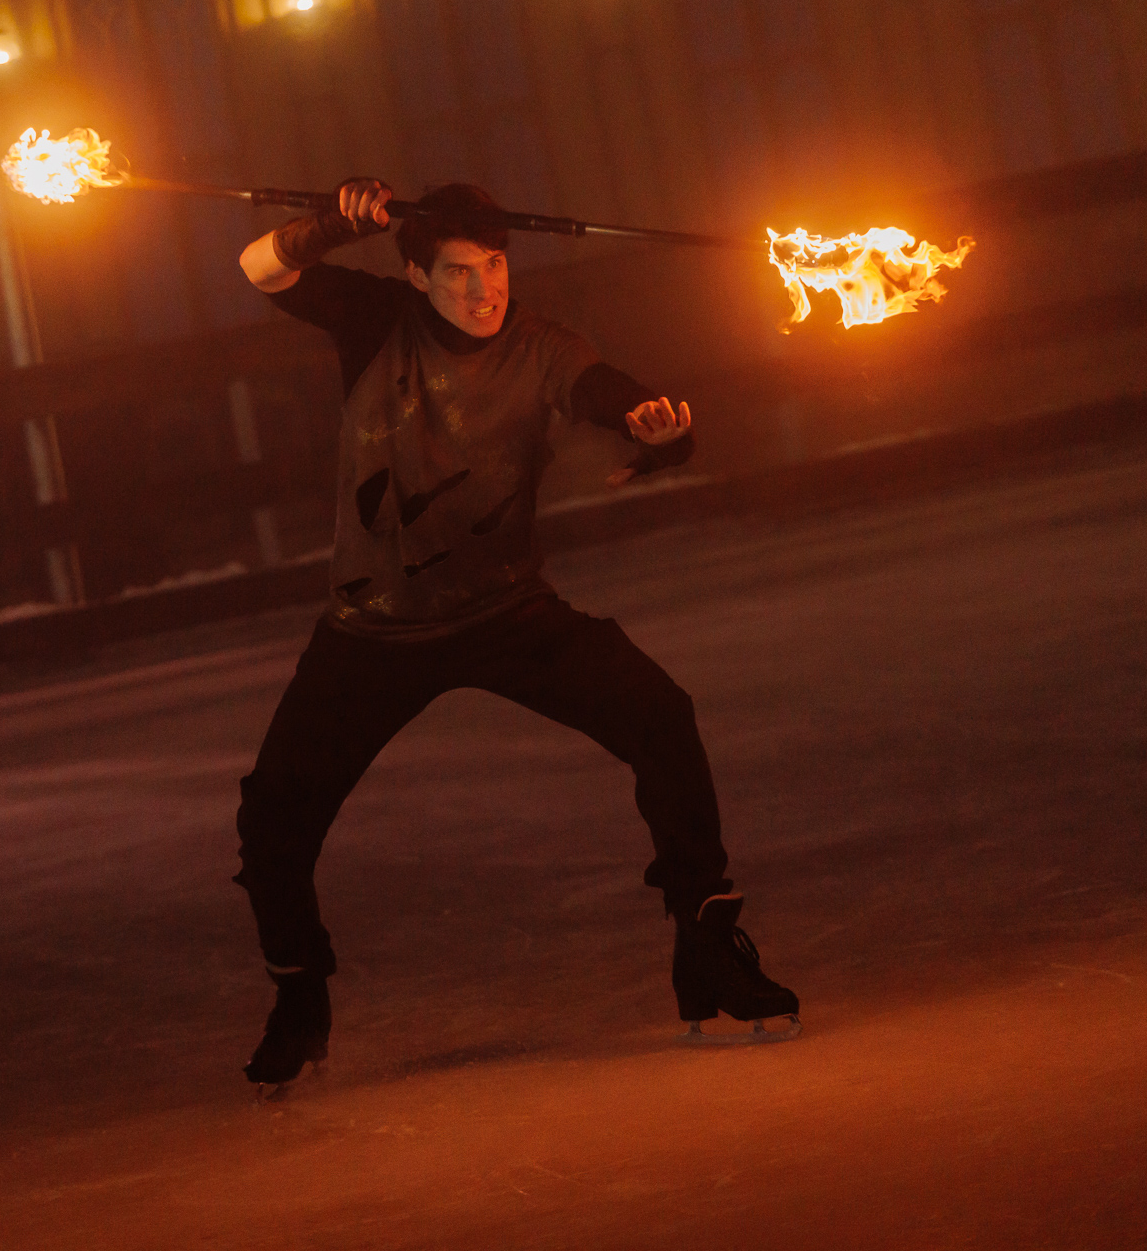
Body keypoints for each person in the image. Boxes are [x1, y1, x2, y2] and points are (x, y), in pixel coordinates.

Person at [233, 179, 798, 1095]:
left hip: (506, 614)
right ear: (417, 277)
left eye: (493, 265)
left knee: (660, 715)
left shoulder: (542, 347)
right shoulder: (376, 322)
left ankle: (706, 943)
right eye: (457, 272)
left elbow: (609, 395)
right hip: (375, 629)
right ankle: (299, 994)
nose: (482, 289)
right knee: (273, 815)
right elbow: (259, 266)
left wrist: (657, 431)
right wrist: (338, 222)